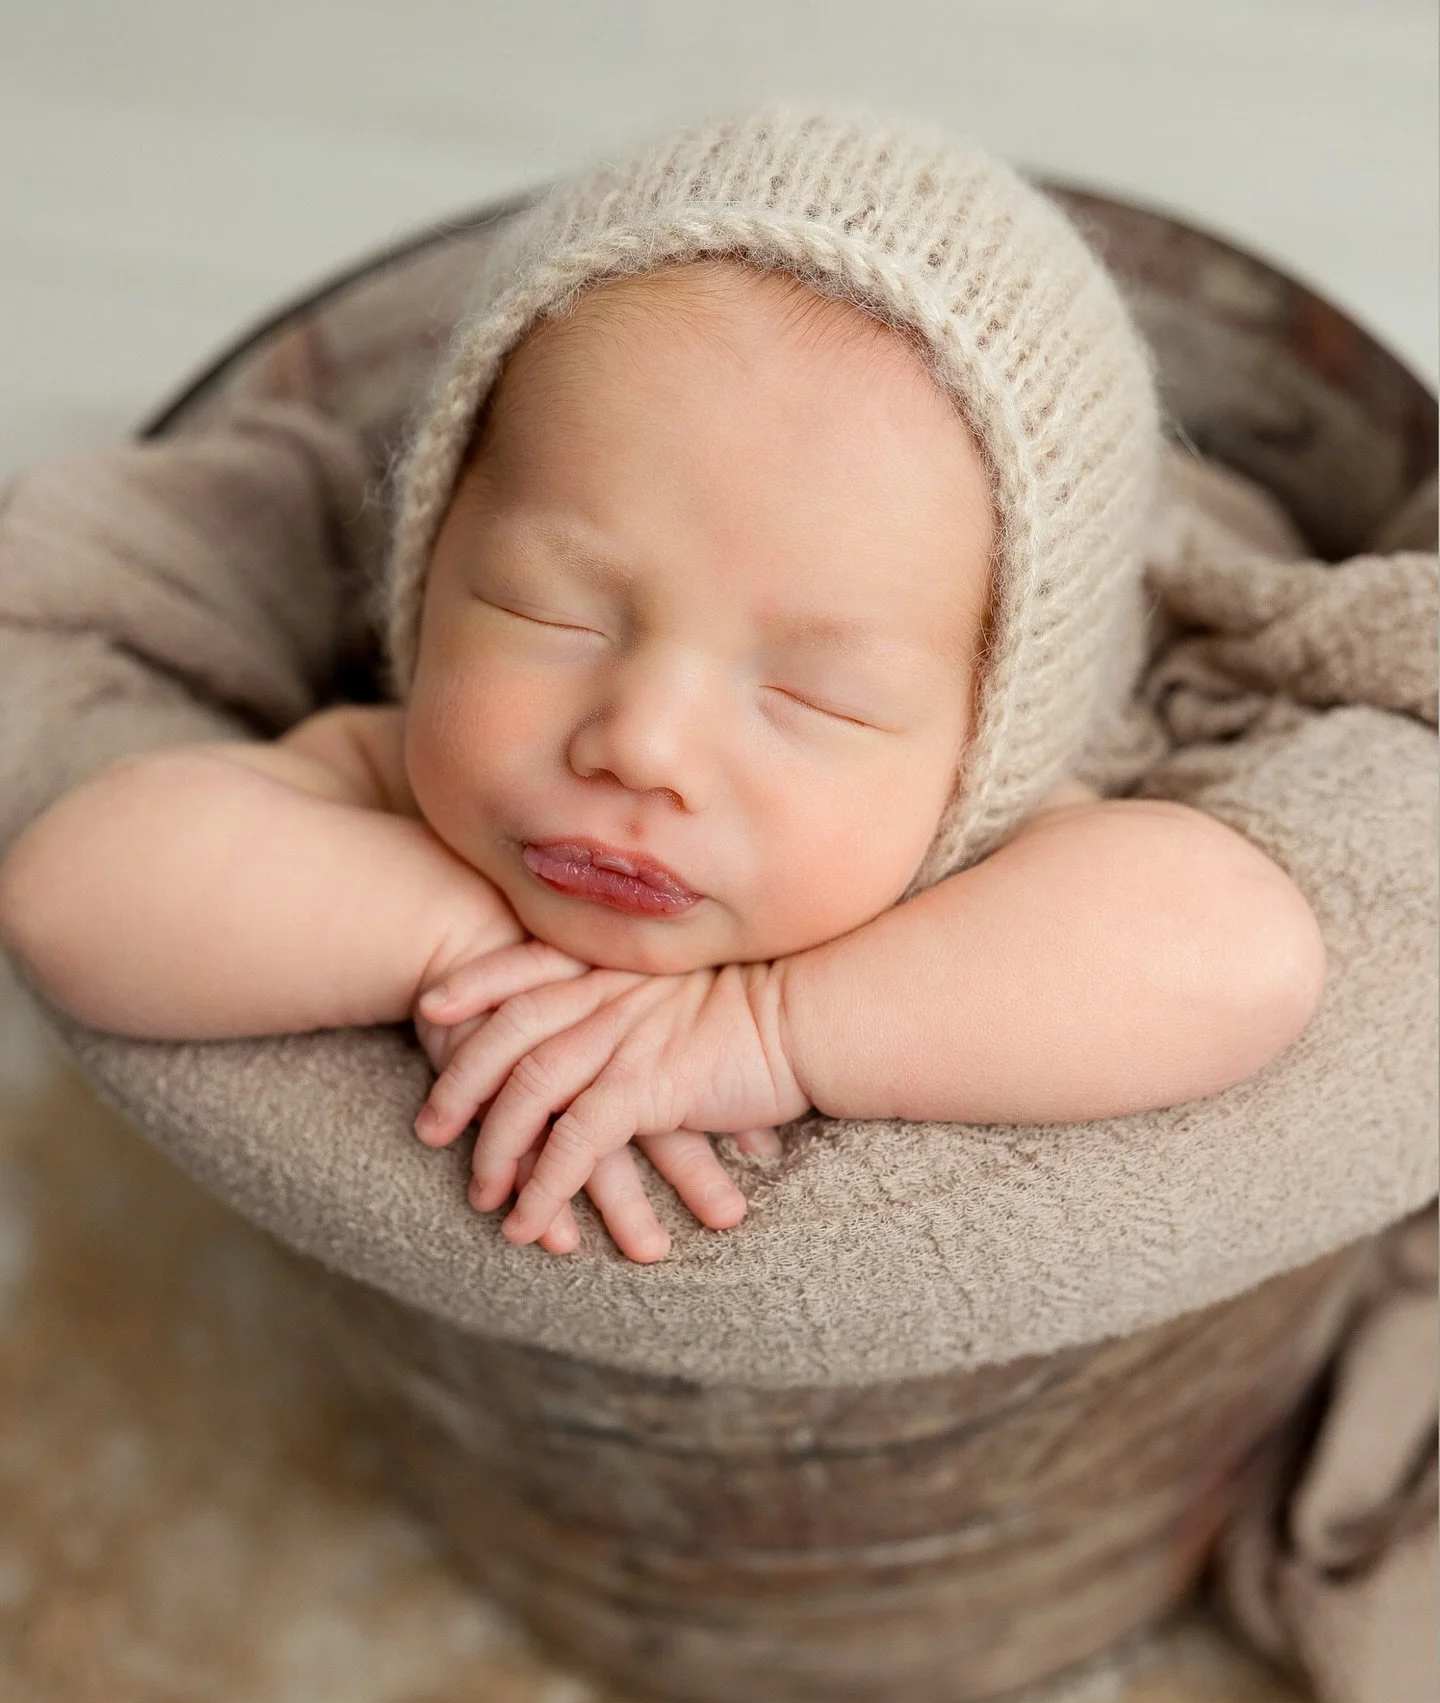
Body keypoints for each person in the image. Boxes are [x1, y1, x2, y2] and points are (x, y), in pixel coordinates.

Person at [0, 105, 1325, 1265]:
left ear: (986, 743)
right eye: (551, 612)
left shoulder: (979, 861)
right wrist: (460, 951)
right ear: (430, 559)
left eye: (816, 697)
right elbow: (71, 892)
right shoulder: (386, 779)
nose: (643, 745)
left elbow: (1243, 954)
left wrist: (767, 1030)